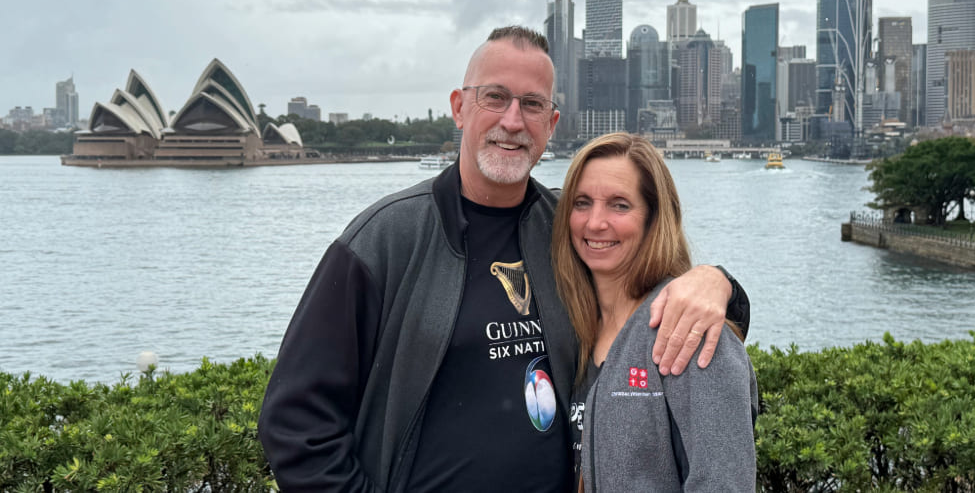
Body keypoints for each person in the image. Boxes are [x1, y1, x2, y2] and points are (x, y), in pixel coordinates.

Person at [258, 26, 750, 492]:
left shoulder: (567, 228)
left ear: (551, 124)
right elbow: (295, 421)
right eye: (495, 97)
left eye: (532, 104)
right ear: (459, 107)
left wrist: (719, 283)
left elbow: (649, 287)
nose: (512, 121)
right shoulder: (385, 239)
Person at [553, 132, 757, 491]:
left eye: (619, 205)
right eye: (582, 203)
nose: (595, 223)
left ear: (653, 217)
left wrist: (719, 281)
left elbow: (723, 482)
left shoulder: (690, 332)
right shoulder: (571, 327)